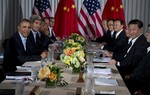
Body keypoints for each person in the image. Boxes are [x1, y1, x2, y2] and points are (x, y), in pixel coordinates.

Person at [124, 29, 150, 95]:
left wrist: (143, 91)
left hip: (142, 88)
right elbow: (141, 67)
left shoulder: (142, 44)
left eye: (149, 32)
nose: (146, 34)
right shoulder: (147, 47)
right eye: (147, 31)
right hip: (135, 80)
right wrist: (132, 74)